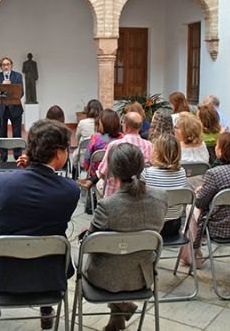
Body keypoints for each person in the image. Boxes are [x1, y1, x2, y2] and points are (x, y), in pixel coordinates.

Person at [0, 119, 80, 329]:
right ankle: (46, 309)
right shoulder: (70, 190)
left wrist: (26, 171)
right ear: (59, 153)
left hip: (5, 273)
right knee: (45, 232)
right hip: (49, 274)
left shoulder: (4, 182)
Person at [83, 143, 168, 331]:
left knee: (111, 256)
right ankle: (120, 312)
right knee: (123, 253)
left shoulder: (107, 206)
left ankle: (120, 310)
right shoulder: (161, 198)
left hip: (104, 279)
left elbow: (91, 245)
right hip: (142, 276)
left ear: (112, 172)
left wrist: (86, 236)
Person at [184, 132, 230, 265]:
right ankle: (191, 255)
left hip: (220, 227)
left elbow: (200, 203)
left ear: (221, 150)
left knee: (190, 208)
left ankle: (193, 255)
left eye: (217, 145)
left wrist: (201, 191)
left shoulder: (214, 173)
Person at [98, 112, 153, 197]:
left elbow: (103, 173)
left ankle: (101, 208)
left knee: (99, 185)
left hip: (114, 194)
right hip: (140, 193)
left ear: (126, 126)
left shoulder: (114, 145)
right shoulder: (149, 145)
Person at [141, 134, 186, 238]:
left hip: (151, 228)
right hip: (173, 227)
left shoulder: (146, 173)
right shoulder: (182, 172)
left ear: (157, 153)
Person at [78, 109, 122, 194]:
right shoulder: (122, 138)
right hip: (118, 175)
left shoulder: (96, 138)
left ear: (102, 123)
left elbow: (87, 158)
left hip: (99, 174)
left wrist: (87, 168)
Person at [0, 56, 24, 162]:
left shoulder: (18, 76)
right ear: (1, 66)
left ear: (11, 65)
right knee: (2, 133)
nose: (6, 67)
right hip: (1, 109)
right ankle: (3, 156)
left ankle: (17, 155)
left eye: (8, 64)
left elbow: (21, 92)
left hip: (15, 108)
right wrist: (2, 86)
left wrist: (10, 87)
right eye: (3, 65)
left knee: (17, 133)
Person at [72, 99, 103, 169]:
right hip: (101, 159)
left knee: (75, 155)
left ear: (88, 110)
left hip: (85, 158)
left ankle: (74, 178)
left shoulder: (82, 122)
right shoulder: (103, 122)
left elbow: (77, 138)